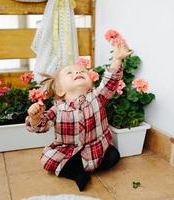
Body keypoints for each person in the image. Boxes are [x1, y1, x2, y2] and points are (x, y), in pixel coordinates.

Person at [26, 43, 132, 191]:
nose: (77, 72)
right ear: (60, 90)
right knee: (48, 162)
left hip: (97, 148)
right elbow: (42, 125)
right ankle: (78, 173)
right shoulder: (58, 109)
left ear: (90, 83)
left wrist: (117, 59)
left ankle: (81, 170)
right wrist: (35, 117)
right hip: (69, 150)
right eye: (69, 73)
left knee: (114, 156)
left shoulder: (97, 97)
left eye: (82, 71)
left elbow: (110, 82)